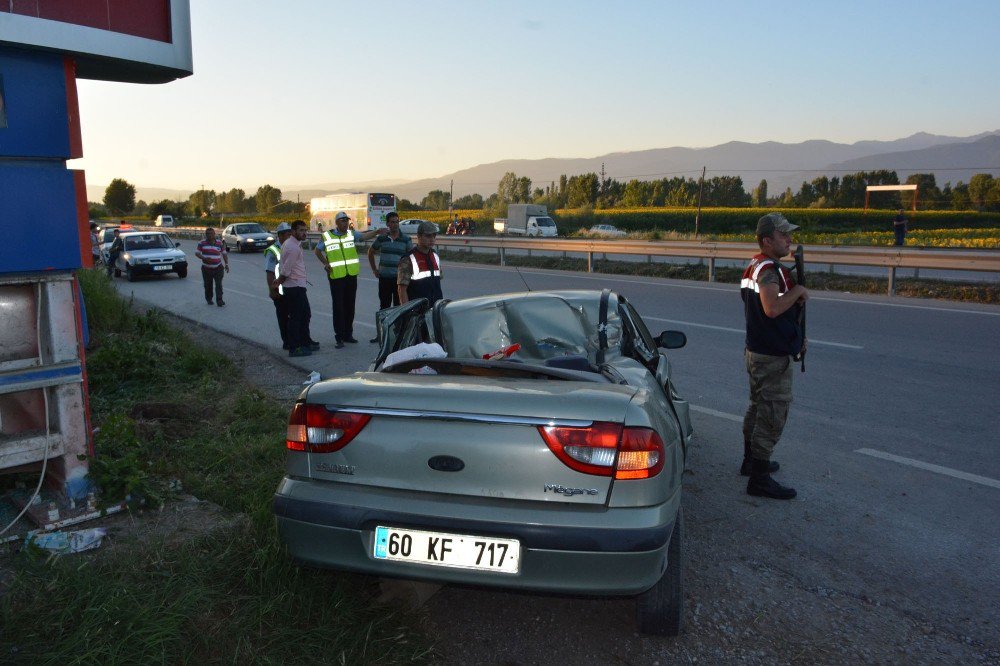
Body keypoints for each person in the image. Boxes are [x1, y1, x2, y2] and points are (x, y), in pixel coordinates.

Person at [740, 213, 808, 500]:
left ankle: (750, 462)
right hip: (769, 357)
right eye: (783, 235)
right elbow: (771, 308)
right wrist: (799, 292)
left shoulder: (756, 264)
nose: (789, 239)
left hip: (758, 351)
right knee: (772, 415)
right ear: (767, 240)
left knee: (758, 408)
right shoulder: (768, 270)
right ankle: (759, 478)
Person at [314, 211, 387, 348]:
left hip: (351, 275)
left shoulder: (351, 234)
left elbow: (365, 236)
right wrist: (325, 263)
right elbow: (317, 251)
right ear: (336, 223)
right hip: (336, 276)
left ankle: (348, 334)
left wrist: (377, 231)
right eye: (342, 221)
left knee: (350, 306)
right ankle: (339, 337)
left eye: (347, 221)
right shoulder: (327, 236)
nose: (345, 223)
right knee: (338, 307)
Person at [367, 211, 413, 342]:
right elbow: (371, 252)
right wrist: (374, 269)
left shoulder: (406, 239)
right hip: (384, 278)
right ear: (387, 224)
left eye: (397, 221)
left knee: (399, 307)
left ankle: (398, 333)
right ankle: (381, 334)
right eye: (392, 222)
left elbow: (411, 257)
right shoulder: (382, 238)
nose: (395, 224)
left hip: (400, 280)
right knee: (384, 307)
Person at [272, 220, 314, 357]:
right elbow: (286, 270)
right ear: (293, 231)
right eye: (301, 230)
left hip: (297, 285)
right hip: (294, 287)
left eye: (305, 230)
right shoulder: (293, 247)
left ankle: (304, 342)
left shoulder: (292, 244)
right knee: (296, 318)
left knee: (304, 314)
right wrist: (278, 281)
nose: (304, 233)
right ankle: (294, 347)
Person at [398, 221, 443, 306]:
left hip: (435, 309)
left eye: (434, 235)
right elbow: (402, 290)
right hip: (418, 312)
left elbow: (436, 285)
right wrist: (408, 313)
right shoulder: (408, 259)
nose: (432, 239)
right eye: (428, 235)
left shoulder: (435, 256)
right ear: (419, 236)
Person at [195, 227, 229, 306]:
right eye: (207, 234)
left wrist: (226, 264)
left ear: (214, 234)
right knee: (208, 285)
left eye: (211, 234)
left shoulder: (219, 243)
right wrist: (204, 258)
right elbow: (197, 253)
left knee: (219, 285)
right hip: (206, 269)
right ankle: (209, 299)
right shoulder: (201, 243)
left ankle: (219, 301)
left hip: (218, 268)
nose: (209, 235)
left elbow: (224, 254)